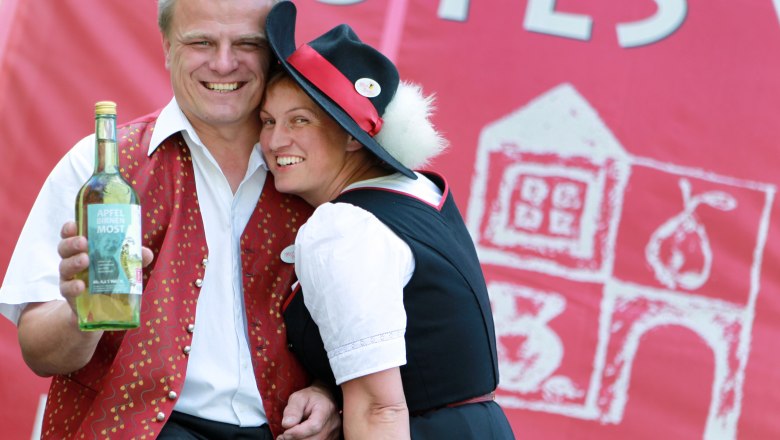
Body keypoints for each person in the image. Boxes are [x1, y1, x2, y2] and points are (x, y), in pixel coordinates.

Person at [0, 0, 341, 439]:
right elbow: (39, 352)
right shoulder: (100, 169)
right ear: (166, 46)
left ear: (274, 53)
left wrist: (328, 393)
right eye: (201, 41)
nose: (223, 63)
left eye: (246, 44)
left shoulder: (316, 176)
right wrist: (80, 314)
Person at [258, 2, 515, 439]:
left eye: (299, 120)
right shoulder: (421, 191)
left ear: (351, 136)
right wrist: (326, 388)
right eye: (267, 121)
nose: (274, 140)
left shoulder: (346, 226)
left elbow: (380, 408)